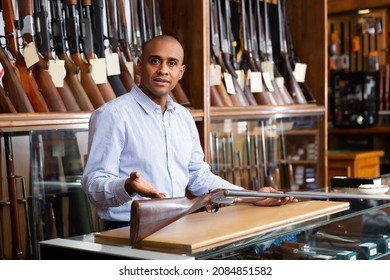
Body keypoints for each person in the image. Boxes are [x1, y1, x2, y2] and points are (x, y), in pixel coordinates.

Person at [81, 35, 297, 230]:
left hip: (178, 225)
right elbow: (93, 186)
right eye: (154, 60)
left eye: (171, 63)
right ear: (139, 65)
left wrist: (251, 196)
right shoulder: (112, 115)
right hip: (125, 229)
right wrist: (128, 186)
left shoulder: (183, 117)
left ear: (180, 72)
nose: (163, 70)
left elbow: (199, 177)